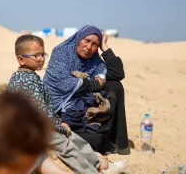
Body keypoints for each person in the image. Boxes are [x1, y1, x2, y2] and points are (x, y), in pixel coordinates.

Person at [7, 35, 130, 174]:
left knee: (75, 139)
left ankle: (98, 165)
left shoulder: (25, 76)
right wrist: (57, 125)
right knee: (67, 147)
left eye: (43, 54)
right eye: (36, 55)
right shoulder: (28, 80)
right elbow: (41, 112)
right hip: (30, 131)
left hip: (40, 125)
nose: (41, 59)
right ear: (21, 59)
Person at [43, 25, 129, 155]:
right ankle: (99, 139)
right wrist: (95, 84)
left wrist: (104, 47)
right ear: (78, 39)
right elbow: (64, 84)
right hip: (60, 111)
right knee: (94, 140)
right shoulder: (61, 52)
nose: (89, 47)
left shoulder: (94, 61)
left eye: (95, 44)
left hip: (82, 110)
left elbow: (118, 73)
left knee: (114, 85)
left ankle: (112, 140)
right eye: (86, 41)